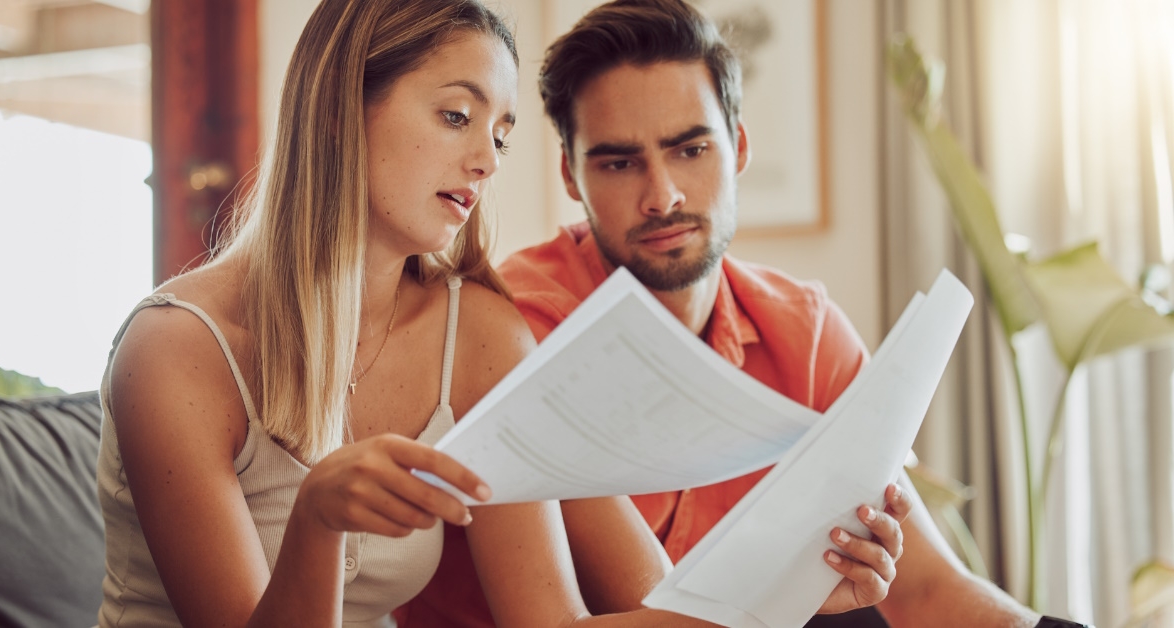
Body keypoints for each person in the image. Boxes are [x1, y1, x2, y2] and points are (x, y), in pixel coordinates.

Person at [95, 0, 909, 626]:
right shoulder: (176, 351)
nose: (486, 160)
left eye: (502, 134)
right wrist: (316, 523)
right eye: (457, 116)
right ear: (341, 108)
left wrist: (792, 593)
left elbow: (554, 623)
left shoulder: (480, 335)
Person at [401, 0, 1048, 627]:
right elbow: (647, 599)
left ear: (737, 147)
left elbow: (930, 591)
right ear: (571, 176)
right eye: (620, 163)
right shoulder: (521, 327)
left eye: (691, 150)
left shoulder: (806, 333)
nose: (662, 196)